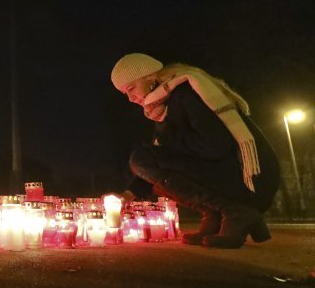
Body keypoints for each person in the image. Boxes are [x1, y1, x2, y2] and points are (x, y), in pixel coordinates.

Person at [111, 53, 280, 249]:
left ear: (150, 77)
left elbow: (215, 146)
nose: (130, 99)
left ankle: (236, 211)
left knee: (142, 158)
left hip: (251, 177)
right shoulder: (166, 106)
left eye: (131, 88)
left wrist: (165, 143)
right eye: (125, 94)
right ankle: (215, 214)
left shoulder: (189, 93)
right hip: (232, 175)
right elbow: (167, 156)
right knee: (145, 160)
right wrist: (128, 194)